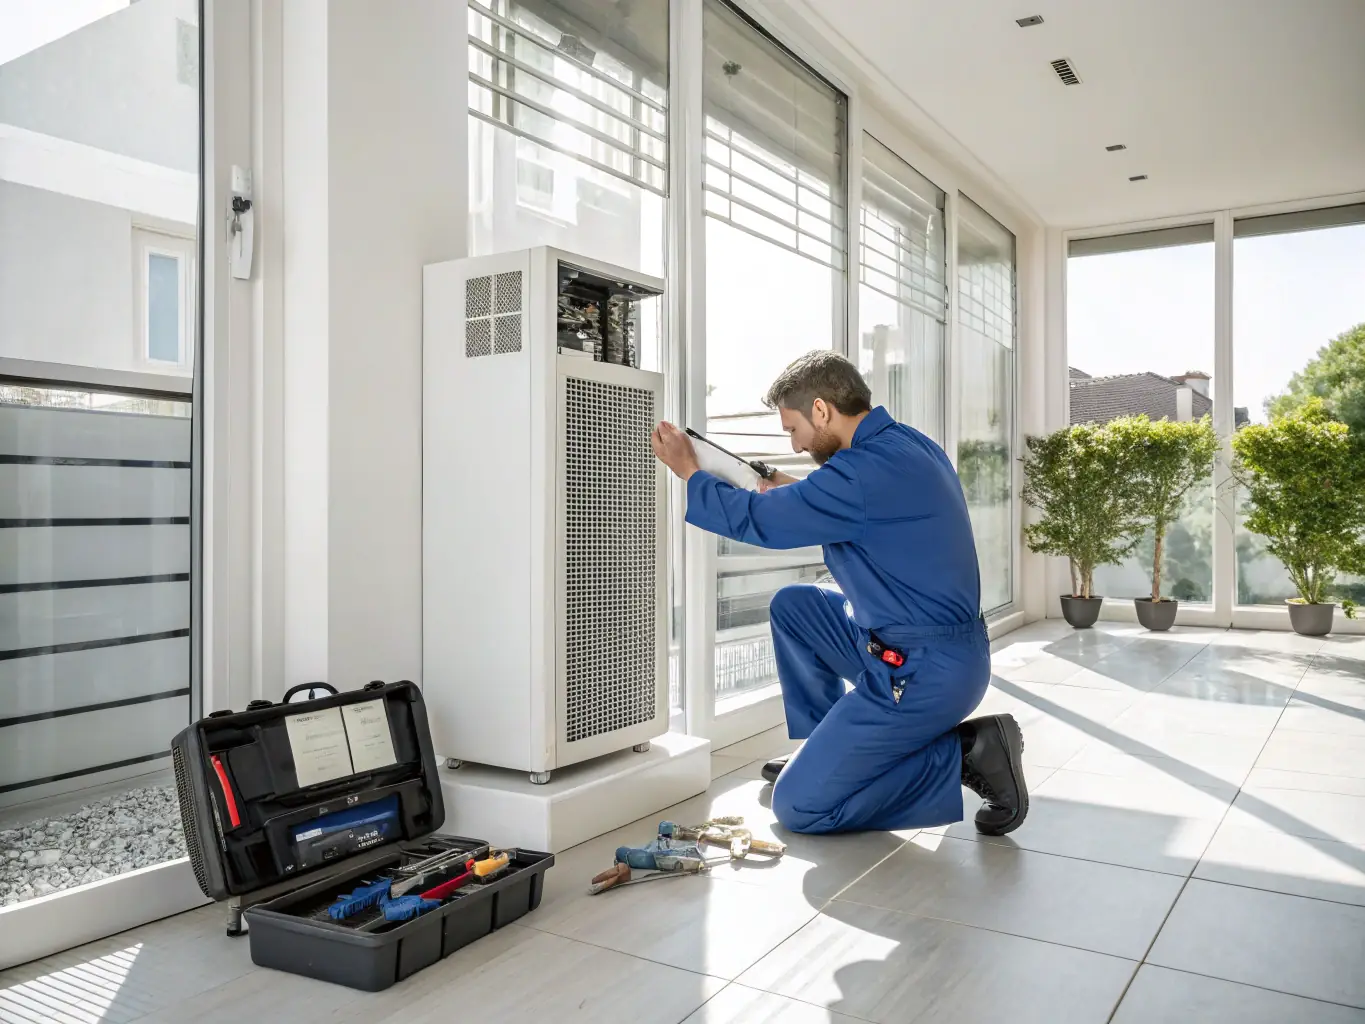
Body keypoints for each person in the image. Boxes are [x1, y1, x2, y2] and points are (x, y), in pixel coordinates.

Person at [650, 351, 1027, 836]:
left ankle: (968, 753)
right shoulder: (903, 445)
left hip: (925, 670)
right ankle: (828, 750)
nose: (796, 443)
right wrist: (780, 486)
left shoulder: (864, 472)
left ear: (822, 410)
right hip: (917, 644)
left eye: (793, 429)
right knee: (796, 606)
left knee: (800, 806)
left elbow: (765, 522)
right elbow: (849, 505)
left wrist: (691, 472)